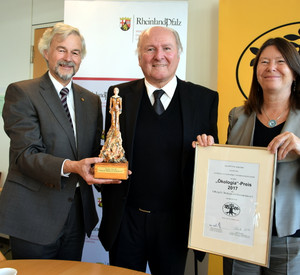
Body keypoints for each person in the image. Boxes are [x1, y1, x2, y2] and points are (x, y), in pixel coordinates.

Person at [98, 26, 219, 274]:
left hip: (176, 224)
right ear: (140, 56)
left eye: (166, 48)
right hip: (126, 220)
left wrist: (209, 150)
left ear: (178, 53)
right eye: (150, 49)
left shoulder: (204, 99)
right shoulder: (118, 95)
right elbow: (111, 150)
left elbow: (211, 162)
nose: (158, 56)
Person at [0, 23, 121, 261]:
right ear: (46, 52)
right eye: (61, 50)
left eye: (75, 53)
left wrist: (114, 164)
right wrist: (72, 166)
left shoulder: (92, 100)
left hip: (76, 214)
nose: (68, 58)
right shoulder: (22, 93)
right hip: (33, 215)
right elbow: (26, 154)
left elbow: (93, 150)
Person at [195, 37, 300, 274]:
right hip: (239, 233)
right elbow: (229, 172)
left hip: (291, 237)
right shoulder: (238, 116)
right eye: (264, 61)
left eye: (280, 61)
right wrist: (209, 151)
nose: (270, 67)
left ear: (294, 72)